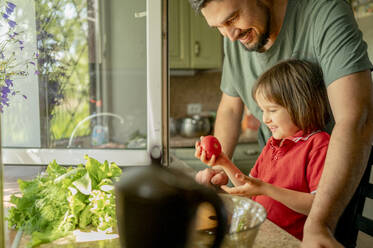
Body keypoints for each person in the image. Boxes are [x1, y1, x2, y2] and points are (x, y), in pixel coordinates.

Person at [188, 0, 373, 247]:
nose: (230, 36)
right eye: (218, 27)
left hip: (329, 197)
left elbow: (355, 119)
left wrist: (320, 223)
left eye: (232, 19)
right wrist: (219, 167)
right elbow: (231, 109)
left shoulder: (324, 10)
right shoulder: (235, 35)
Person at [196, 59, 330, 240]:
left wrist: (265, 189)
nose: (265, 119)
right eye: (262, 111)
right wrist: (224, 162)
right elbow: (250, 188)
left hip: (287, 240)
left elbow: (318, 205)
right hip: (259, 233)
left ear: (300, 104)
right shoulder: (273, 144)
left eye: (272, 110)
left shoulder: (318, 144)